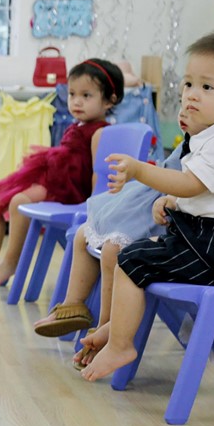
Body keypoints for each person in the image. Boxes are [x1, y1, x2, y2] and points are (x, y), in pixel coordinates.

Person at [82, 27, 214, 381]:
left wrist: (140, 170)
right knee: (145, 254)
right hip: (213, 243)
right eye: (188, 84)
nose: (191, 94)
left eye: (207, 87)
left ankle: (120, 343)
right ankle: (117, 328)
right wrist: (173, 202)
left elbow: (190, 183)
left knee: (133, 259)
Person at [33, 113, 194, 369]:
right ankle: (74, 305)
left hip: (167, 221)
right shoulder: (192, 139)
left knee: (112, 250)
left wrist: (147, 178)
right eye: (184, 98)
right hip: (149, 204)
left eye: (202, 94)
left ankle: (107, 328)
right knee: (83, 234)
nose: (185, 108)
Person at [0, 58, 125, 287]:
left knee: (18, 201)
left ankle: (11, 261)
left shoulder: (101, 133)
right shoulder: (78, 124)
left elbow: (98, 175)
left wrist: (94, 205)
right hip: (54, 179)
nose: (76, 101)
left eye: (86, 96)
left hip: (72, 190)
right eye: (72, 94)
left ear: (109, 100)